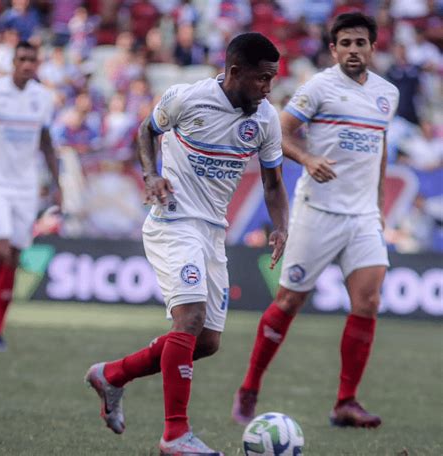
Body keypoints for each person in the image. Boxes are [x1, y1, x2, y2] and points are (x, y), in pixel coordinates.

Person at [85, 32, 289, 454]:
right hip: (172, 220)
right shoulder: (187, 98)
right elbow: (146, 130)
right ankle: (175, 435)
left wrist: (280, 226)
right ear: (235, 72)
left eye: (273, 78)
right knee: (190, 318)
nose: (268, 88)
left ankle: (112, 375)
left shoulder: (265, 119)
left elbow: (272, 182)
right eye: (263, 78)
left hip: (214, 231)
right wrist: (151, 174)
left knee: (207, 342)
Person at [232, 12, 399, 429]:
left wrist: (377, 206)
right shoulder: (318, 88)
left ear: (372, 47)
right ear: (333, 48)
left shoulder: (386, 94)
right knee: (289, 301)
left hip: (362, 217)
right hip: (317, 211)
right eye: (345, 43)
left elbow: (379, 148)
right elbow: (279, 132)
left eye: (361, 43)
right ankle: (250, 385)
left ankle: (346, 401)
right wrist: (307, 158)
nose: (353, 50)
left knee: (369, 302)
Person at [0, 41, 61, 351]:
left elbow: (47, 142)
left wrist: (57, 183)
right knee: (1, 252)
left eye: (32, 60)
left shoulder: (42, 98)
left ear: (37, 64)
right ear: (13, 62)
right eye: (21, 59)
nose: (26, 65)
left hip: (25, 186)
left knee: (16, 256)